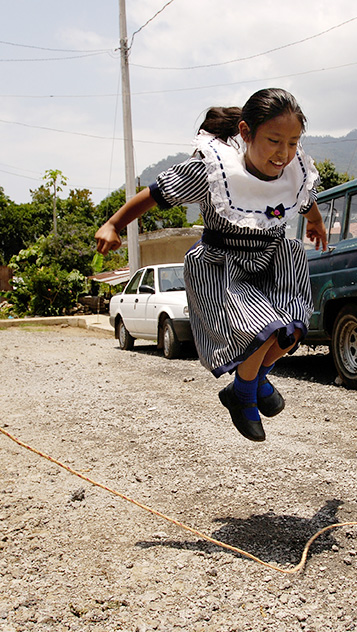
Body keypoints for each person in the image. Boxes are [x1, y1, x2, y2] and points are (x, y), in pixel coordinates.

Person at [96, 88, 326, 442]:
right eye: (274, 141)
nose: (283, 153)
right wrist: (114, 224)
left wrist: (316, 222)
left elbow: (304, 198)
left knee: (291, 331)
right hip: (224, 263)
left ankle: (252, 381)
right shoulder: (213, 170)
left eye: (293, 142)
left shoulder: (292, 170)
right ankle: (245, 394)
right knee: (259, 329)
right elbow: (154, 195)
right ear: (246, 133)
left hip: (274, 259)